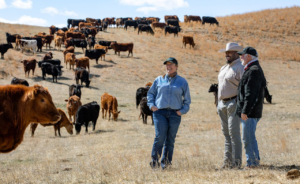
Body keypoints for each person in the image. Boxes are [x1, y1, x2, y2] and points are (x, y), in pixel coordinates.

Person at [147, 57, 191, 170]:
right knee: (160, 137)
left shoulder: (182, 81)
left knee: (170, 140)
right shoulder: (158, 80)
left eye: (171, 64)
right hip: (159, 113)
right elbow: (150, 94)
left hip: (175, 114)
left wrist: (182, 111)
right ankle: (154, 163)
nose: (169, 67)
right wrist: (151, 105)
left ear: (176, 66)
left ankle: (166, 164)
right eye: (167, 65)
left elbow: (187, 100)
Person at [236, 47, 266, 169]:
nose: (241, 57)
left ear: (249, 56)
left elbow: (251, 94)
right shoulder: (254, 68)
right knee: (249, 136)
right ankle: (254, 160)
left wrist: (245, 111)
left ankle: (252, 163)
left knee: (247, 137)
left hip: (250, 112)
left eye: (242, 55)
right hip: (253, 111)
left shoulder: (253, 70)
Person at [217, 42, 244, 169]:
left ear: (236, 53)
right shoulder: (224, 68)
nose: (226, 54)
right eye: (226, 52)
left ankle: (237, 163)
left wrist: (241, 104)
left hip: (234, 102)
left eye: (229, 52)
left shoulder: (241, 67)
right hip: (222, 104)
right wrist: (218, 103)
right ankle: (227, 163)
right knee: (226, 134)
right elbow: (220, 86)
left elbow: (244, 88)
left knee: (234, 133)